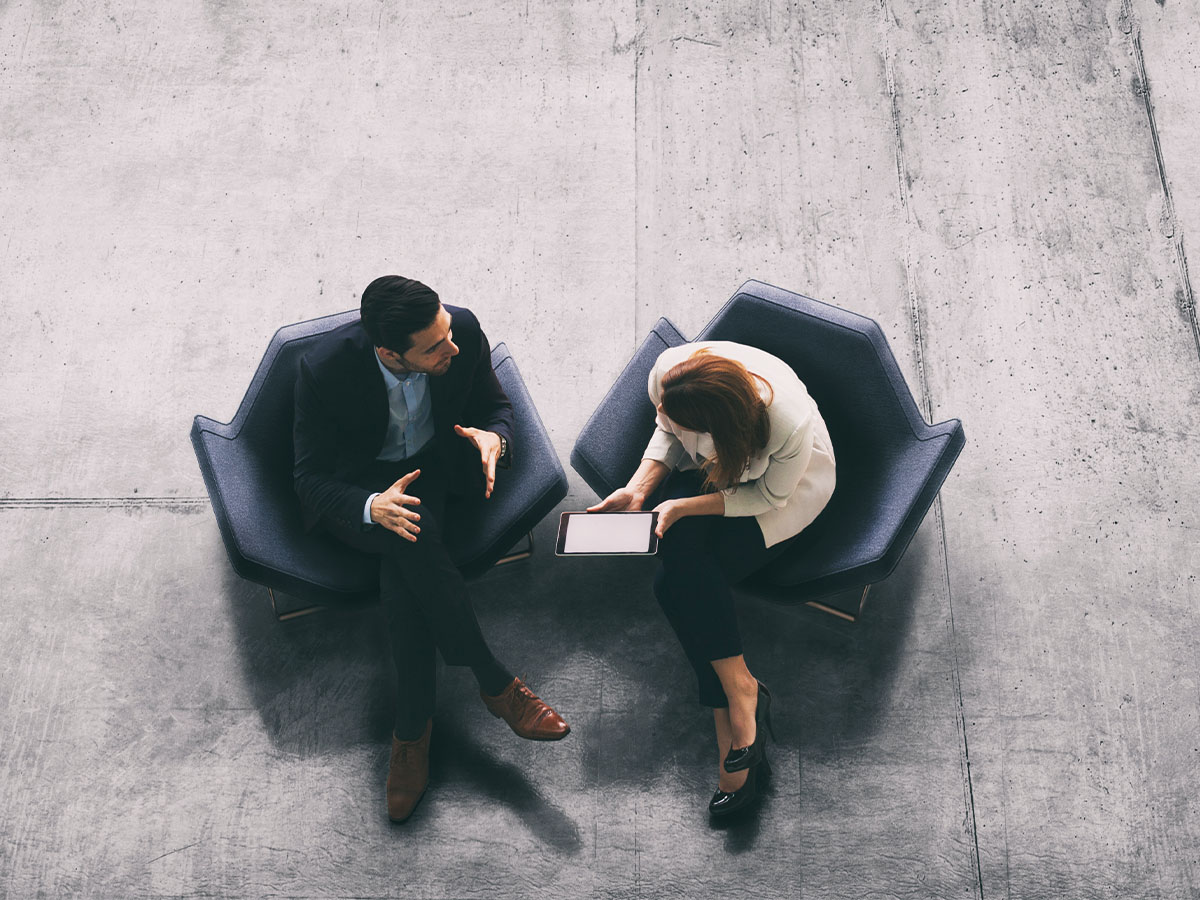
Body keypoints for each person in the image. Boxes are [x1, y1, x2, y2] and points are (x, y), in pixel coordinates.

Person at [293, 275, 570, 823]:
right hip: (361, 490)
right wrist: (372, 505)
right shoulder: (324, 370)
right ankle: (494, 683)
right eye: (436, 346)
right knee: (408, 540)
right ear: (388, 353)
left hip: (433, 472)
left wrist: (498, 439)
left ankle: (412, 732)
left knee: (407, 573)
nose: (454, 347)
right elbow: (308, 478)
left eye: (447, 332)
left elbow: (496, 406)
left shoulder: (460, 327)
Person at [589, 341, 835, 817]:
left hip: (782, 493)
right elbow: (665, 425)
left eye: (679, 418)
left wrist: (684, 505)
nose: (661, 412)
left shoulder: (788, 424)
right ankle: (740, 691)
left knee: (673, 581)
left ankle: (733, 704)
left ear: (715, 427)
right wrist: (640, 488)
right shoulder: (669, 374)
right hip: (712, 472)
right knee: (681, 569)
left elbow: (766, 494)